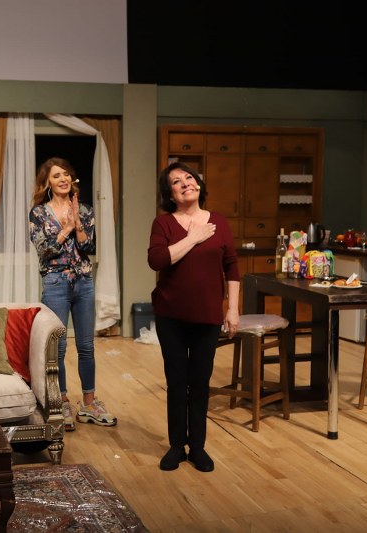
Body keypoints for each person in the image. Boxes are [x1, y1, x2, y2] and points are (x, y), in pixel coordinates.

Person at [147, 161, 240, 472]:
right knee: (176, 382)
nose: (186, 182)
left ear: (199, 184)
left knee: (200, 382)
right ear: (170, 194)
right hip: (171, 316)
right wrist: (193, 237)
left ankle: (197, 446)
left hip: (208, 316)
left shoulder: (219, 222)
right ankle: (177, 446)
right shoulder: (163, 224)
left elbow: (231, 267)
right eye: (177, 181)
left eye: (189, 177)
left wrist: (233, 308)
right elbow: (157, 260)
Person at [29, 157, 117, 431]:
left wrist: (77, 222)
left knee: (86, 346)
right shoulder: (38, 214)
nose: (63, 179)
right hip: (55, 282)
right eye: (57, 175)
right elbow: (44, 250)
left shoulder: (85, 210)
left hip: (83, 282)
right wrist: (65, 227)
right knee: (59, 347)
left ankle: (89, 403)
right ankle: (63, 400)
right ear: (47, 182)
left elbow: (88, 247)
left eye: (66, 174)